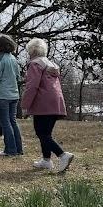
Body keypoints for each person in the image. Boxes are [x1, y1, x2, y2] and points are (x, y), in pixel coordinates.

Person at [21, 38, 75, 172]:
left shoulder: (34, 64)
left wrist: (25, 105)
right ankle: (46, 160)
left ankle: (62, 155)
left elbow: (32, 86)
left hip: (42, 103)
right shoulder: (51, 64)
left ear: (31, 51)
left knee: (41, 133)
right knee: (46, 133)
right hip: (55, 102)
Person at [0, 35, 23, 157]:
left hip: (1, 95)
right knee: (12, 121)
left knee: (5, 123)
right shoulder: (13, 59)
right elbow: (18, 77)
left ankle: (10, 150)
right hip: (14, 95)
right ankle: (18, 148)